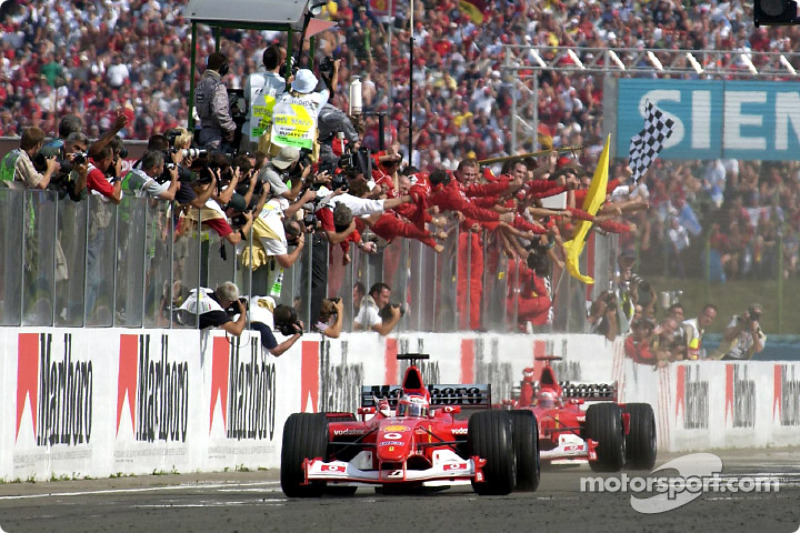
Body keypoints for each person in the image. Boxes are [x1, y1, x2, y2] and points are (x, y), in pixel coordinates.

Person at [242, 44, 287, 152]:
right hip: (269, 135)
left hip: (249, 130)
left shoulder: (252, 78)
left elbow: (247, 100)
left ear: (263, 61)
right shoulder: (283, 83)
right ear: (281, 62)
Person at [195, 52, 236, 151]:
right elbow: (219, 111)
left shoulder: (201, 84)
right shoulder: (218, 87)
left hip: (204, 132)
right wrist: (230, 127)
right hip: (216, 138)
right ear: (223, 68)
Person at [178, 281, 248, 336]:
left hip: (177, 317)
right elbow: (237, 330)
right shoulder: (214, 310)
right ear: (229, 302)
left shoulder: (205, 291)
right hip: (182, 329)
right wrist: (243, 312)